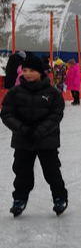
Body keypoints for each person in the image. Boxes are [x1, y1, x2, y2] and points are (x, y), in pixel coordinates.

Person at [0, 54, 68, 216]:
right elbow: (7, 114)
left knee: (52, 171)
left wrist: (40, 131)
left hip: (46, 140)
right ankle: (19, 199)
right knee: (22, 172)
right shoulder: (15, 93)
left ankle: (60, 198)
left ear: (40, 72)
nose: (28, 73)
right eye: (25, 70)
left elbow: (56, 114)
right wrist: (22, 129)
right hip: (23, 140)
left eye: (31, 70)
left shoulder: (52, 93)